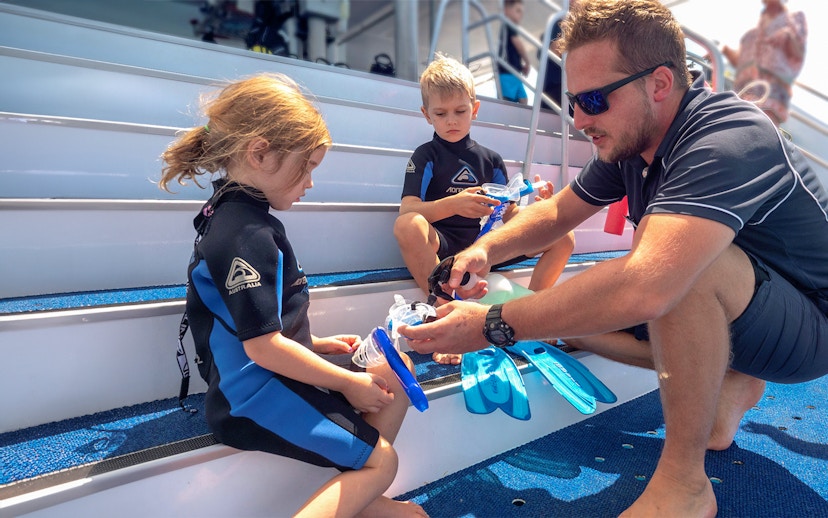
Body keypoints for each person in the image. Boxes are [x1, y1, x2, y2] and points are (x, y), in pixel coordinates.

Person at [399, 1, 828, 516]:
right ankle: (731, 380)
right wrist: (483, 248)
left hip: (812, 326)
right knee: (573, 317)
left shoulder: (728, 137)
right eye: (573, 100)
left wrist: (492, 323)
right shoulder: (632, 140)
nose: (579, 119)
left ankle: (684, 486)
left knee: (676, 270)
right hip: (752, 307)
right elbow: (558, 212)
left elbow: (648, 286)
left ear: (660, 83)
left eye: (595, 99)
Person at [159, 74, 427, 518]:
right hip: (250, 396)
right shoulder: (244, 233)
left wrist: (317, 345)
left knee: (394, 376)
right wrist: (347, 382)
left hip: (268, 375)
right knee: (387, 462)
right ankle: (364, 474)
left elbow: (252, 321)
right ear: (259, 152)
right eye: (307, 167)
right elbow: (261, 346)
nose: (310, 183)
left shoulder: (241, 216)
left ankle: (354, 487)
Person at [393, 54, 575, 365]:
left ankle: (530, 315)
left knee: (563, 238)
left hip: (485, 247)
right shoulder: (426, 156)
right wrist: (455, 204)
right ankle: (443, 313)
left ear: (474, 109)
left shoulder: (490, 160)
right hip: (446, 245)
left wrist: (539, 210)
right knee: (407, 225)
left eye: (460, 111)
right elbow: (408, 210)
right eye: (441, 113)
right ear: (427, 115)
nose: (451, 120)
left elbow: (511, 214)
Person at [722, 0, 807, 126]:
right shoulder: (753, 31)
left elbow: (799, 52)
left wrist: (788, 35)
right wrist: (722, 51)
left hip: (772, 97)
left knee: (758, 134)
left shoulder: (794, 19)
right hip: (743, 94)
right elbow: (740, 62)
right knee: (733, 131)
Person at [498, 0, 531, 104]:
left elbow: (512, 52)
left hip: (514, 72)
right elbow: (517, 42)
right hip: (507, 72)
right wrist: (527, 61)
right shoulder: (507, 24)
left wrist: (521, 66)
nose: (520, 15)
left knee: (523, 99)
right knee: (508, 101)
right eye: (518, 10)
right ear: (506, 10)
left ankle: (523, 120)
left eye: (521, 12)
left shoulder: (510, 27)